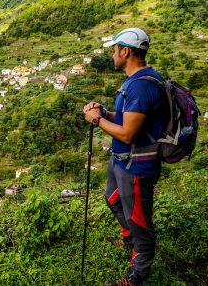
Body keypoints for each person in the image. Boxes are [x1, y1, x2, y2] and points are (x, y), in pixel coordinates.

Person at [83, 28, 168, 286]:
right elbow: (126, 119)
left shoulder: (141, 86)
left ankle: (135, 278)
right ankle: (130, 239)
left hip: (137, 168)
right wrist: (105, 112)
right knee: (112, 199)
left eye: (114, 49)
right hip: (122, 162)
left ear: (126, 51)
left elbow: (129, 134)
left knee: (140, 222)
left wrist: (96, 120)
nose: (112, 54)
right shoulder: (134, 81)